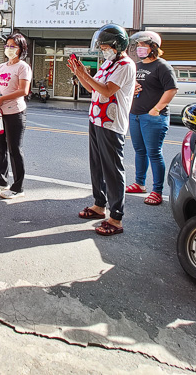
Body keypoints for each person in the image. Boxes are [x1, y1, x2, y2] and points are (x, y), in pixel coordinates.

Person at [68, 24, 136, 236]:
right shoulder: (108, 63)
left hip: (112, 123)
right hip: (97, 119)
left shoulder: (125, 65)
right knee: (97, 166)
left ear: (117, 45)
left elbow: (107, 90)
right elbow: (91, 87)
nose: (103, 50)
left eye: (106, 46)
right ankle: (99, 205)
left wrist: (84, 74)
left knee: (113, 170)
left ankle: (116, 218)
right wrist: (79, 74)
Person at [126, 31, 177, 206]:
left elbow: (171, 89)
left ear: (153, 47)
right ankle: (140, 183)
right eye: (138, 46)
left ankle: (157, 191)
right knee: (139, 151)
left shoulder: (162, 66)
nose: (140, 49)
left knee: (154, 153)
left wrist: (156, 109)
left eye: (143, 46)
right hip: (136, 115)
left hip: (154, 117)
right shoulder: (137, 66)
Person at [0, 33, 32, 199]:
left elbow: (23, 91)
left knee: (14, 149)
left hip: (15, 113)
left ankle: (18, 187)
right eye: (7, 46)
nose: (9, 49)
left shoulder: (23, 67)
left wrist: (1, 99)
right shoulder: (1, 67)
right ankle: (2, 181)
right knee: (0, 148)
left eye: (13, 46)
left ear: (21, 49)